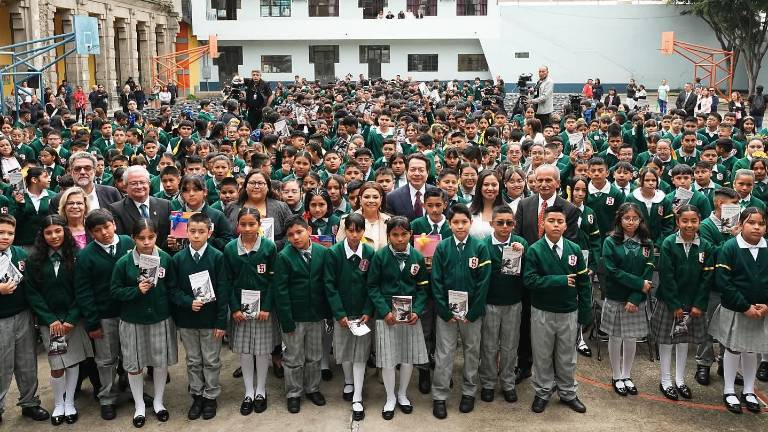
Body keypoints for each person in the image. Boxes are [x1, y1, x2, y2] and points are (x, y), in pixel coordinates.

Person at [513, 164, 580, 382]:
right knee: (526, 322)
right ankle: (524, 364)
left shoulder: (568, 209)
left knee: (553, 331)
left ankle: (554, 374)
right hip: (529, 274)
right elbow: (518, 237)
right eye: (539, 180)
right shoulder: (525, 204)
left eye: (548, 180)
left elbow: (568, 243)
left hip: (555, 276)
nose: (543, 184)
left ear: (558, 183)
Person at [25, 215, 93, 425]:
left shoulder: (78, 256)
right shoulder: (34, 259)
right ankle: (58, 403)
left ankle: (70, 402)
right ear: (42, 235)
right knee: (57, 365)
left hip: (73, 321)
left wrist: (71, 318)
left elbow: (82, 290)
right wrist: (50, 320)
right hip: (50, 323)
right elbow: (32, 293)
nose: (54, 236)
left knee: (72, 363)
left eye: (58, 231)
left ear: (65, 232)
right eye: (48, 232)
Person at [524, 205, 592, 414]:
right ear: (543, 223)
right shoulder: (535, 250)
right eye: (551, 220)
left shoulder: (574, 250)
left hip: (568, 312)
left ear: (565, 225)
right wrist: (559, 280)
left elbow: (583, 283)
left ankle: (567, 392)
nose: (555, 225)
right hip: (542, 312)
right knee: (542, 355)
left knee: (567, 356)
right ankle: (543, 392)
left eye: (559, 221)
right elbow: (529, 280)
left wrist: (585, 311)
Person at [111, 219, 177, 428]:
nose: (147, 242)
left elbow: (172, 287)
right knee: (134, 365)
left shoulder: (165, 258)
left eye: (151, 237)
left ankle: (158, 402)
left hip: (159, 318)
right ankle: (139, 405)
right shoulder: (124, 263)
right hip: (133, 321)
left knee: (159, 363)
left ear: (157, 236)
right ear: (133, 239)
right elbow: (115, 291)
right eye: (141, 238)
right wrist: (135, 291)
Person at [430, 204, 491, 419]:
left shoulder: (480, 247)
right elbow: (436, 281)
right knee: (444, 354)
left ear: (470, 223)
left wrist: (473, 312)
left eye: (464, 222)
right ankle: (439, 395)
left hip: (471, 315)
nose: (460, 226)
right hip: (447, 314)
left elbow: (484, 283)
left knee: (471, 352)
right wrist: (445, 311)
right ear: (449, 224)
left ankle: (468, 392)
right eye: (455, 222)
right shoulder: (442, 247)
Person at [367, 216, 429, 421]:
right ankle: (390, 397)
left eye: (404, 234)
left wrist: (417, 311)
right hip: (387, 317)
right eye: (395, 235)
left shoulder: (418, 258)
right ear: (389, 236)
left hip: (410, 316)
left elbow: (422, 288)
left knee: (407, 356)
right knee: (388, 359)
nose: (400, 239)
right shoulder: (380, 256)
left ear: (410, 234)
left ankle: (402, 393)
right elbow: (373, 287)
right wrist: (385, 311)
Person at [74, 209, 134, 421]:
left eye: (107, 227)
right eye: (98, 230)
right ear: (91, 233)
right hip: (104, 315)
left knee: (132, 354)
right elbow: (83, 292)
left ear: (114, 224)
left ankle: (132, 390)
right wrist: (93, 322)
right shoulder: (85, 255)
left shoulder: (128, 243)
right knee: (106, 360)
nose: (105, 233)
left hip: (130, 312)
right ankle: (107, 397)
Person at [709, 207, 768, 414]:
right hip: (737, 309)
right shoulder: (730, 247)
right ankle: (729, 390)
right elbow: (724, 282)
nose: (757, 227)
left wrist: (766, 305)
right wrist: (745, 306)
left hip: (761, 311)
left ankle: (749, 390)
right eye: (752, 222)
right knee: (733, 349)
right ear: (741, 224)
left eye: (761, 223)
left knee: (752, 349)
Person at [652, 205, 713, 401]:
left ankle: (680, 380)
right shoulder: (669, 243)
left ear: (699, 222)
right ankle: (666, 380)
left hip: (693, 303)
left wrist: (698, 304)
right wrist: (675, 305)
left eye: (693, 221)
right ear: (677, 222)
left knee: (683, 341)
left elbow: (706, 278)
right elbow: (666, 277)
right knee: (667, 341)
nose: (689, 225)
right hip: (670, 302)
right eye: (684, 221)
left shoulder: (706, 246)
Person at [170, 212, 226, 420]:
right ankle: (197, 395)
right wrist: (187, 302)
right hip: (187, 320)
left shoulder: (217, 257)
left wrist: (221, 321)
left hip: (211, 320)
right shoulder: (178, 259)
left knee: (211, 360)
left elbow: (223, 291)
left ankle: (211, 396)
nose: (196, 236)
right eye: (192, 231)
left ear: (209, 233)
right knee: (193, 360)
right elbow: (172, 289)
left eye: (201, 232)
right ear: (186, 231)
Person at [222, 208, 277, 415]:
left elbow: (273, 281)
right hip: (240, 311)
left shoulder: (269, 248)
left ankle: (261, 391)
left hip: (262, 310)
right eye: (243, 224)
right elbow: (226, 281)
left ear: (259, 225)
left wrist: (267, 307)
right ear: (237, 225)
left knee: (262, 351)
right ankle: (248, 392)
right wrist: (234, 308)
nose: (247, 228)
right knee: (245, 351)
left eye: (251, 224)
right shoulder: (229, 249)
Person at [273, 215, 330, 414]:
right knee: (293, 358)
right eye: (291, 235)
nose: (296, 237)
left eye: (299, 232)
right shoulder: (284, 256)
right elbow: (280, 290)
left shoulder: (323, 253)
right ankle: (293, 393)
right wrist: (286, 319)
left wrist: (327, 314)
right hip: (294, 316)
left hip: (316, 315)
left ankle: (312, 388)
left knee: (314, 356)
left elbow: (327, 284)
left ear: (309, 231)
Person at [323, 213, 375, 421]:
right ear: (345, 230)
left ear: (364, 232)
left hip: (362, 314)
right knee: (344, 351)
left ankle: (358, 395)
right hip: (343, 314)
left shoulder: (370, 253)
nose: (354, 235)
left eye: (358, 230)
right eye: (350, 230)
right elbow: (329, 285)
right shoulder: (334, 254)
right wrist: (339, 313)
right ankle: (348, 381)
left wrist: (367, 311)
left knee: (361, 353)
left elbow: (373, 285)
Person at [0, 214, 51, 423]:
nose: (5, 237)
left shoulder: (20, 254)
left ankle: (30, 402)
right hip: (1, 319)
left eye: (10, 233)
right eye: (1, 232)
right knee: (2, 364)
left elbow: (30, 285)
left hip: (23, 314)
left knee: (27, 361)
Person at [601, 203, 654, 396]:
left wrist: (636, 296)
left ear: (640, 220)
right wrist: (639, 284)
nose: (630, 222)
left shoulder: (647, 243)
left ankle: (626, 374)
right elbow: (612, 271)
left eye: (634, 218)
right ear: (620, 220)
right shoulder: (610, 241)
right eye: (626, 218)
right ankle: (616, 375)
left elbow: (648, 273)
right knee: (615, 337)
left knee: (631, 338)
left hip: (635, 300)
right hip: (616, 296)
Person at [479, 205, 527, 403]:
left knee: (510, 345)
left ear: (514, 224)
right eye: (500, 222)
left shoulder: (521, 243)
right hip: (490, 303)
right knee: (489, 345)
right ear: (492, 224)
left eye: (509, 223)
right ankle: (488, 382)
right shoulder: (482, 245)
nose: (505, 226)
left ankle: (508, 382)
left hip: (513, 303)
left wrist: (524, 253)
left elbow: (530, 272)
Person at [109, 166, 172, 250]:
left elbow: (169, 237)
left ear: (149, 183)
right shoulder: (116, 209)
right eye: (134, 183)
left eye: (142, 182)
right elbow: (121, 242)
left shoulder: (165, 205)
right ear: (126, 186)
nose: (139, 186)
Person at [51, 152, 123, 212]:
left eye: (87, 168)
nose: (82, 172)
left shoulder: (111, 193)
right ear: (71, 172)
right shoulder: (58, 199)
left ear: (94, 171)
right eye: (77, 169)